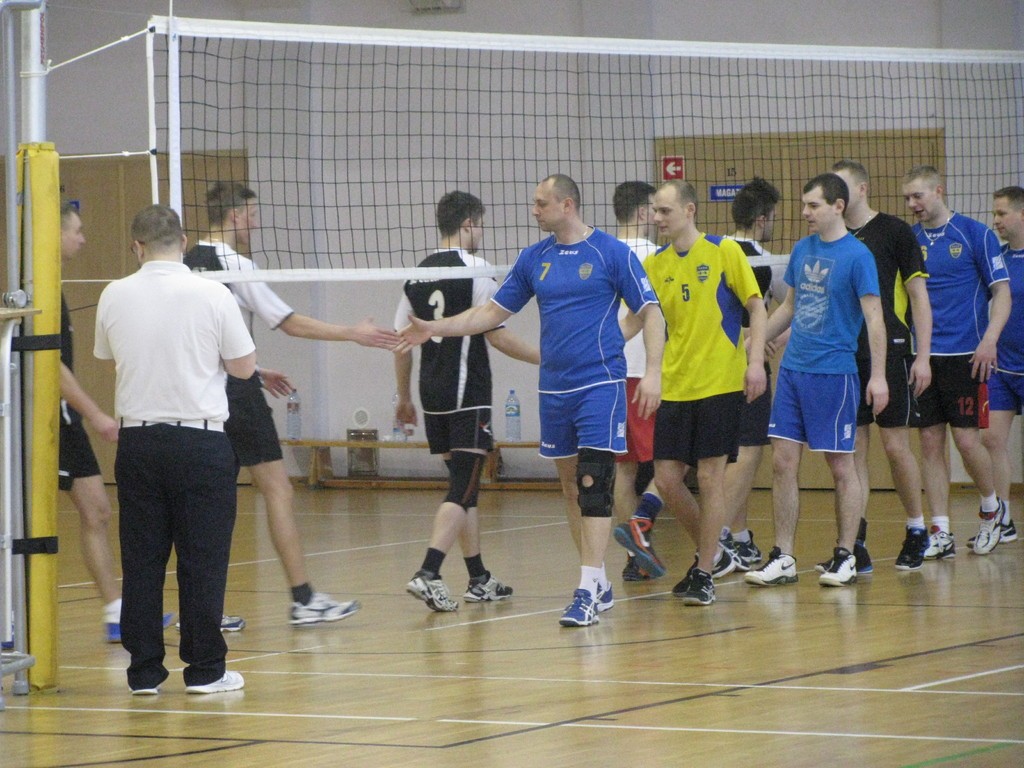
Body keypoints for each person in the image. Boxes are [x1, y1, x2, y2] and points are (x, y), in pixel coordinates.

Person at [397, 174, 664, 627]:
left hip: (600, 384)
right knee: (570, 487)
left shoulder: (611, 253)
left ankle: (586, 588)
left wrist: (652, 371)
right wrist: (433, 328)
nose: (534, 210)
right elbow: (490, 314)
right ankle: (597, 580)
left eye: (542, 203)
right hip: (554, 387)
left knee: (593, 481)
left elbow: (650, 312)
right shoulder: (533, 258)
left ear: (567, 204)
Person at [185, 182, 399, 626]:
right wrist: (352, 333)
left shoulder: (186, 264)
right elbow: (289, 323)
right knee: (278, 490)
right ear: (235, 216)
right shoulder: (236, 264)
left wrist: (257, 369)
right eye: (252, 215)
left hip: (200, 394)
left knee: (208, 502)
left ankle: (201, 611)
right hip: (236, 395)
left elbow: (199, 340)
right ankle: (304, 600)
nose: (256, 223)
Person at [95, 204, 256, 694]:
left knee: (142, 560)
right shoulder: (213, 293)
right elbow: (244, 368)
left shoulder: (113, 294)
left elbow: (110, 357)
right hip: (200, 440)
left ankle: (144, 672)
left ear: (136, 247)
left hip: (138, 441)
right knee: (202, 559)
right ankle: (205, 670)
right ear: (183, 243)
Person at [618, 180, 766, 606]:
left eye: (665, 211)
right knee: (666, 479)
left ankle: (703, 571)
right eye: (654, 211)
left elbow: (756, 307)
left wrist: (755, 362)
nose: (657, 218)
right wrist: (598, 345)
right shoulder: (656, 264)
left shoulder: (724, 251)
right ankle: (714, 554)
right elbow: (640, 318)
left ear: (689, 210)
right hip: (676, 384)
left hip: (720, 383)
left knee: (708, 477)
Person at [394, 191, 539, 612]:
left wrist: (404, 397)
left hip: (431, 393)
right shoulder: (476, 269)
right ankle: (428, 572)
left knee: (466, 487)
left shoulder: (415, 274)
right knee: (462, 486)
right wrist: (545, 358)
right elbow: (497, 334)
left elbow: (401, 342)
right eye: (481, 224)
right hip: (467, 392)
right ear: (469, 224)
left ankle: (478, 578)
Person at [745, 173, 888, 589]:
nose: (805, 212)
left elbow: (874, 319)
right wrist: (755, 346)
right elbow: (790, 306)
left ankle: (846, 555)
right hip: (793, 372)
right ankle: (783, 556)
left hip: (834, 374)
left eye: (813, 205)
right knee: (782, 462)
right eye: (804, 204)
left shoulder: (858, 256)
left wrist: (879, 376)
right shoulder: (803, 249)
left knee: (841, 465)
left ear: (838, 206)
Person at [58, 203, 173, 642]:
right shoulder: (37, 289)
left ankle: (116, 612)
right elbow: (49, 366)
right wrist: (97, 415)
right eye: (76, 230)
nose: (83, 239)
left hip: (65, 420)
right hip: (46, 422)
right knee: (28, 522)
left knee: (98, 510)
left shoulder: (55, 287)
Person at [901, 166, 1011, 557]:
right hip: (924, 358)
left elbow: (1002, 293)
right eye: (907, 198)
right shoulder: (909, 239)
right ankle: (941, 531)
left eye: (918, 196)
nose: (912, 204)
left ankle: (992, 510)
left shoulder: (974, 234)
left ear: (938, 191)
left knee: (966, 441)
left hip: (968, 356)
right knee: (930, 442)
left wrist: (989, 340)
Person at [831, 160, 934, 572]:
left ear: (862, 188)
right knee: (853, 451)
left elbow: (919, 296)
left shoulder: (894, 231)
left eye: (842, 186)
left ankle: (917, 528)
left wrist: (922, 356)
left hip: (890, 351)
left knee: (895, 446)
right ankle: (855, 541)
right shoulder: (831, 237)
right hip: (845, 355)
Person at [720, 177, 787, 571]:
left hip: (713, 365)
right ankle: (718, 536)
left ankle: (740, 536)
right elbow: (796, 309)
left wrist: (766, 335)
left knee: (730, 454)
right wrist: (765, 339)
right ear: (763, 219)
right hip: (748, 367)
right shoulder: (770, 262)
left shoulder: (715, 251)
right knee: (747, 451)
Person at [607, 181, 664, 583]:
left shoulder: (602, 252)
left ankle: (634, 558)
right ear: (643, 212)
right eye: (655, 210)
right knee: (676, 459)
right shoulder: (657, 256)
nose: (659, 218)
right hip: (648, 372)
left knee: (623, 470)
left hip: (611, 372)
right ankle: (642, 522)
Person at [976, 186, 1023, 547]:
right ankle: (1003, 519)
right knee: (990, 438)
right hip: (1001, 367)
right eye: (994, 213)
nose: (996, 220)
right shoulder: (998, 260)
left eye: (1002, 213)